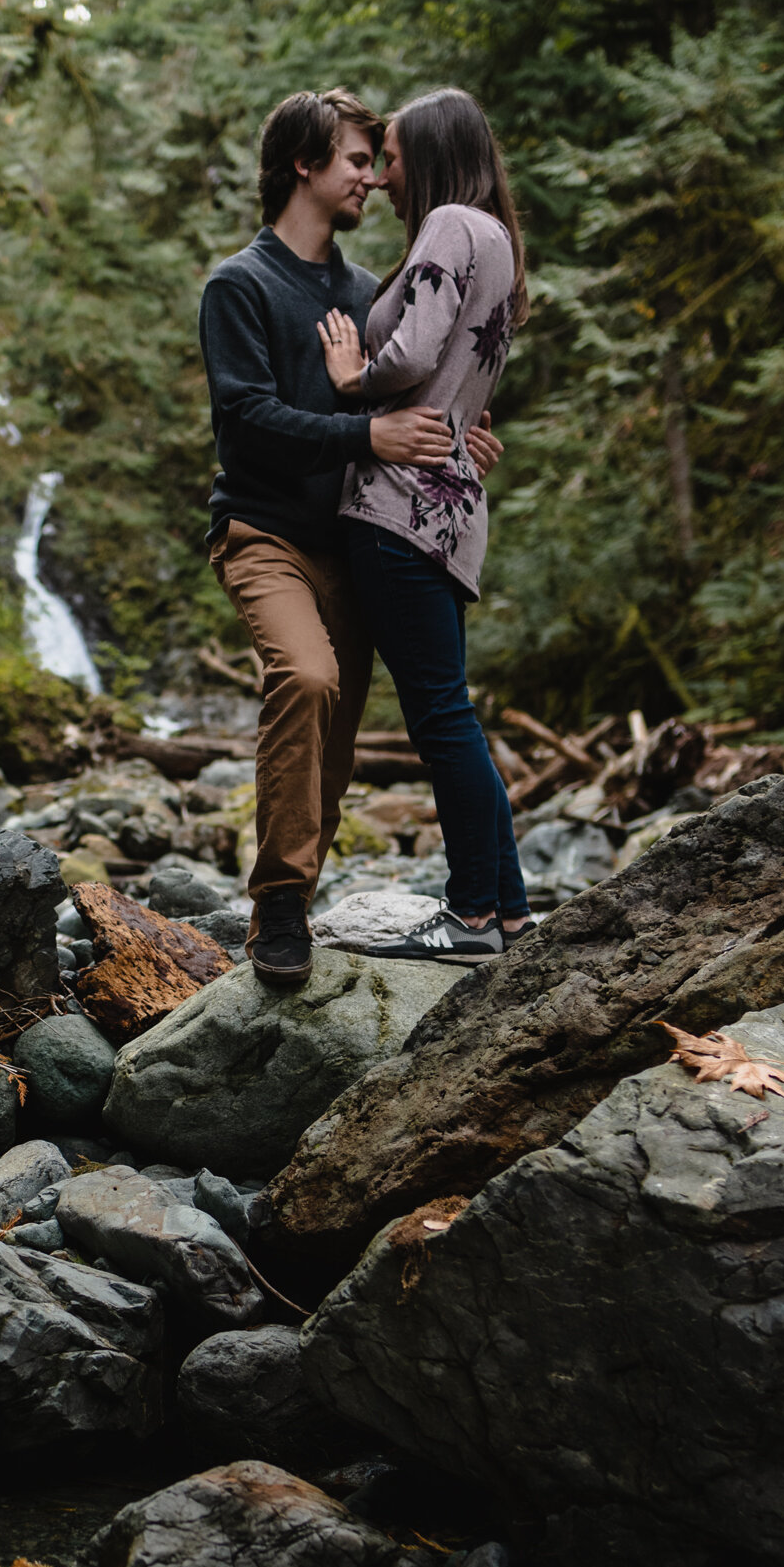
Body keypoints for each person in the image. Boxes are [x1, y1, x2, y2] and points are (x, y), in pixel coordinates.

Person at [198, 88, 503, 988]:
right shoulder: (238, 285)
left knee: (335, 732)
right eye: (357, 161)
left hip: (358, 538)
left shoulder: (367, 289)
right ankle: (278, 908)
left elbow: (413, 390)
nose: (374, 176)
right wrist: (364, 434)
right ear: (305, 164)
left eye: (377, 160)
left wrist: (460, 431)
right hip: (261, 530)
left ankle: (313, 898)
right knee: (307, 676)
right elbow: (244, 419)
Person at [317, 85, 531, 964]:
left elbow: (408, 357)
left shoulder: (448, 222)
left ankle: (471, 916)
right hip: (450, 506)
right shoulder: (501, 243)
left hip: (399, 504)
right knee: (455, 716)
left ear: (436, 156)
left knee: (442, 722)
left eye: (393, 155)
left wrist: (348, 375)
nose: (383, 174)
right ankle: (509, 913)